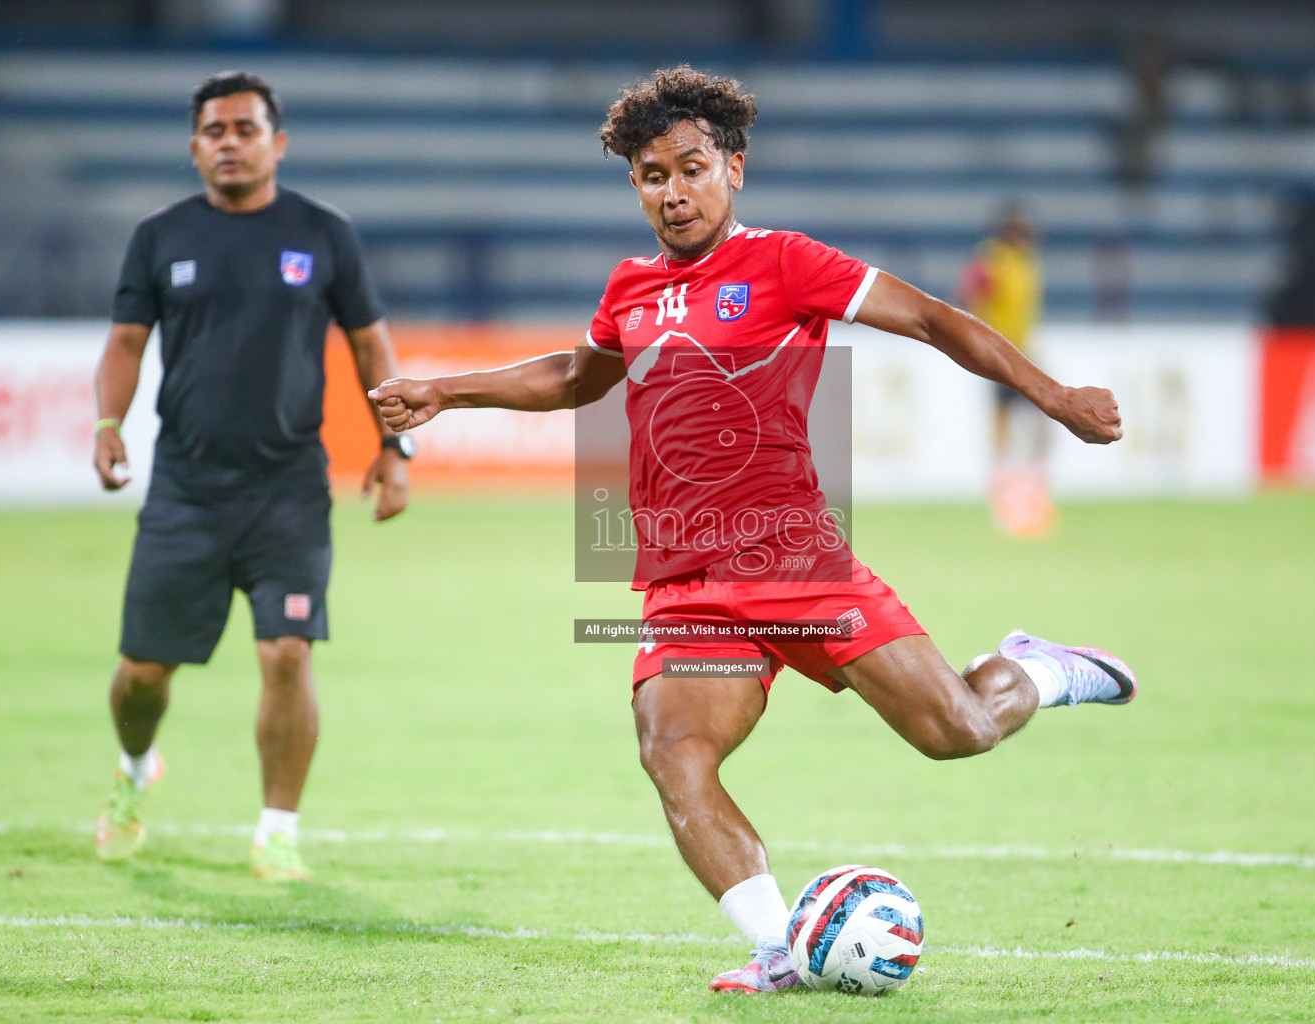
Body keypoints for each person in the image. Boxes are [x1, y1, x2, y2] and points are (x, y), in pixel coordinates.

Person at [369, 67, 1133, 991]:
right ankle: (781, 951)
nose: (674, 191)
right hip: (686, 583)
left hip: (795, 558)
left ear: (734, 167)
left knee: (958, 730)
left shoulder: (785, 263)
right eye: (653, 175)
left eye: (691, 168)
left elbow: (931, 319)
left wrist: (1052, 397)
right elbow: (579, 378)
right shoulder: (633, 288)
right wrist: (447, 390)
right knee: (673, 751)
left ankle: (1039, 668)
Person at [92, 71, 413, 881]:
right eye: (213, 130)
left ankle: (278, 828)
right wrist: (107, 424)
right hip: (186, 491)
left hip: (288, 491)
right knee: (141, 676)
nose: (228, 141)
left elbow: (371, 346)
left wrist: (394, 447)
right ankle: (136, 772)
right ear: (195, 147)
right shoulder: (160, 235)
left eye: (244, 127)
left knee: (286, 656)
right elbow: (126, 343)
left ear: (278, 141)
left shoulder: (324, 232)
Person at [957, 207, 1052, 537]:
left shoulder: (1026, 261)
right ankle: (1005, 497)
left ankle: (1029, 492)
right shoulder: (992, 261)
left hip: (1022, 351)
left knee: (1038, 424)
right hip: (1000, 353)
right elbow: (968, 294)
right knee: (1008, 425)